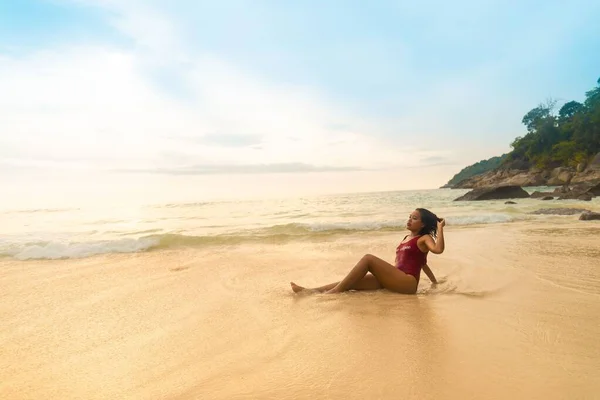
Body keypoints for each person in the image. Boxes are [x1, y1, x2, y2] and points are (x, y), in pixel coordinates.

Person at [290, 208, 445, 295]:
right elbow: (422, 263)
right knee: (352, 281)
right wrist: (434, 283)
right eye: (409, 216)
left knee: (368, 259)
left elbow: (438, 250)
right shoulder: (406, 238)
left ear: (423, 224)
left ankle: (333, 293)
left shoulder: (424, 238)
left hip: (407, 283)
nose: (410, 219)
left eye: (415, 218)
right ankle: (312, 291)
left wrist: (439, 228)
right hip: (395, 280)